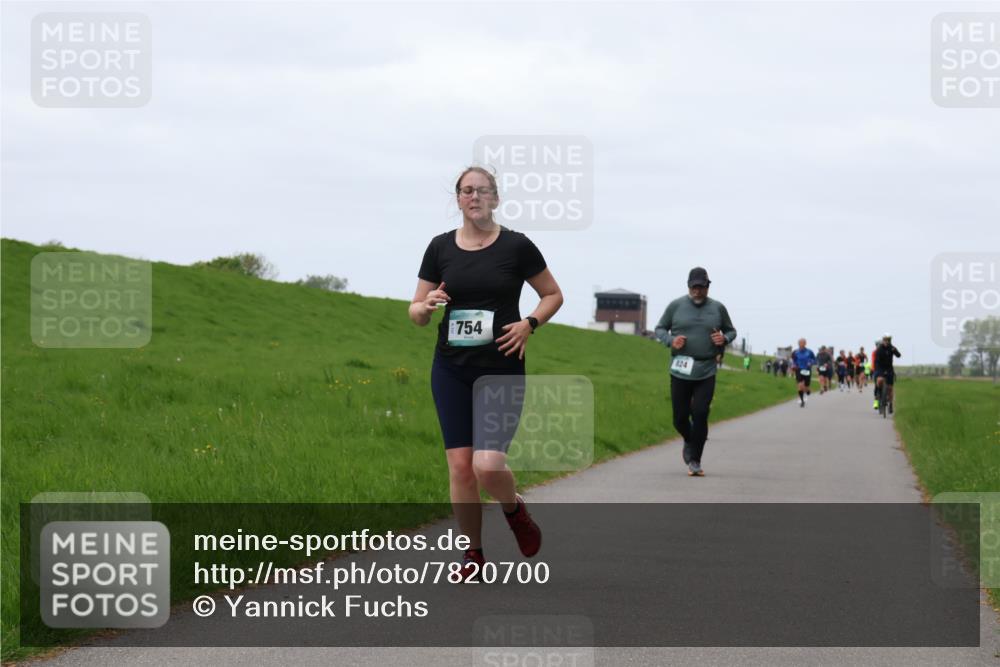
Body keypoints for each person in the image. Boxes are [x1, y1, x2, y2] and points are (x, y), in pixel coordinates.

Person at [410, 166, 564, 581]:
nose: (474, 197)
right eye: (466, 191)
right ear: (458, 199)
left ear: (495, 198)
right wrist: (425, 306)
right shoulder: (440, 247)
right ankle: (473, 556)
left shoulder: (517, 246)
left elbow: (552, 294)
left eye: (482, 191)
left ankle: (514, 510)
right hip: (451, 369)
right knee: (461, 467)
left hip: (501, 368)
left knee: (488, 465)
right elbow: (416, 312)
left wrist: (529, 323)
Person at [654, 267, 737, 477]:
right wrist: (671, 340)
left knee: (700, 413)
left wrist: (724, 339)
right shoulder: (676, 306)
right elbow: (660, 329)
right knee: (679, 418)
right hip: (680, 368)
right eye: (694, 287)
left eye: (701, 287)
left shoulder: (717, 308)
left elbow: (731, 330)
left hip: (706, 368)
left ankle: (695, 460)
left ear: (708, 286)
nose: (697, 291)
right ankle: (689, 439)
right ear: (688, 286)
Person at [873, 333, 902, 412]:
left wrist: (895, 350)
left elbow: (899, 355)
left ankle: (891, 404)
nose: (886, 341)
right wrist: (876, 369)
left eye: (888, 340)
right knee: (879, 381)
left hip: (889, 368)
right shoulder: (879, 349)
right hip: (880, 368)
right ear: (883, 340)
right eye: (885, 340)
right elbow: (876, 361)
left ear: (890, 341)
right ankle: (878, 395)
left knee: (890, 388)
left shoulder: (892, 348)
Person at [791, 338, 817, 407]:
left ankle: (807, 391)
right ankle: (802, 400)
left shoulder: (809, 352)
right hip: (799, 369)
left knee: (806, 386)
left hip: (807, 370)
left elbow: (815, 360)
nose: (801, 344)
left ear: (805, 343)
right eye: (799, 343)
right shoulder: (795, 352)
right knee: (800, 385)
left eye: (802, 343)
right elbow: (794, 361)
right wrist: (793, 365)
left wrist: (811, 363)